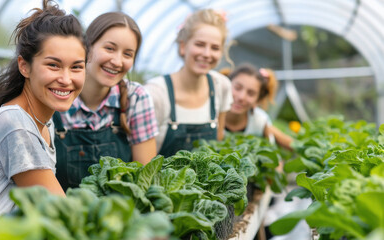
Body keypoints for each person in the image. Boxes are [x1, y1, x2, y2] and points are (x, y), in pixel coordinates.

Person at [0, 0, 87, 219]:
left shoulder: (43, 121)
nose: (66, 79)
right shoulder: (15, 124)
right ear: (24, 66)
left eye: (76, 67)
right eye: (53, 65)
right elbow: (63, 215)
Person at [53, 12, 158, 191]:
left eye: (127, 54)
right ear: (87, 46)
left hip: (118, 214)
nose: (117, 61)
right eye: (109, 48)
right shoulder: (57, 93)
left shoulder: (136, 98)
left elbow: (144, 180)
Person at [145, 9, 232, 157]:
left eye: (215, 48)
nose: (206, 54)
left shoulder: (221, 86)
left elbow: (218, 142)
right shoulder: (155, 93)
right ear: (183, 46)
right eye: (199, 44)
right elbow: (143, 165)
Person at [224, 63, 293, 150]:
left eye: (251, 93)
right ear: (225, 85)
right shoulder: (210, 115)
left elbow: (272, 155)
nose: (241, 97)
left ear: (258, 100)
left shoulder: (259, 121)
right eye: (237, 88)